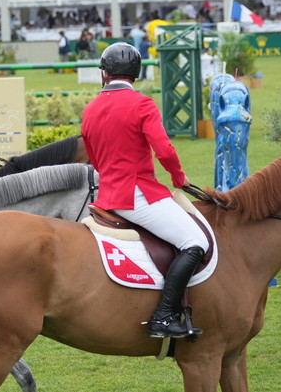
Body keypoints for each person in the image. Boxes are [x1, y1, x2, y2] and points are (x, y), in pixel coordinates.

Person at [80, 42, 209, 339]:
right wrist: (179, 177)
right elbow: (163, 149)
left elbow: (94, 157)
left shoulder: (90, 109)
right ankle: (163, 316)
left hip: (107, 194)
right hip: (137, 194)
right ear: (135, 74)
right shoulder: (142, 104)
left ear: (105, 74)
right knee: (195, 240)